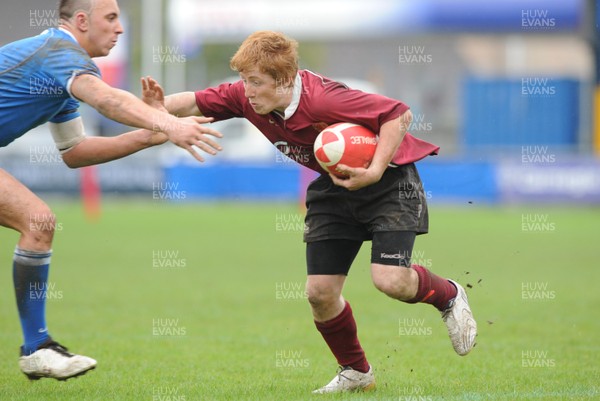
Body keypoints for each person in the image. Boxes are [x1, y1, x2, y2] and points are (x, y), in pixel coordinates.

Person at [153, 30, 477, 393]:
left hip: (388, 183)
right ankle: (356, 371)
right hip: (335, 188)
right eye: (245, 81)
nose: (247, 91)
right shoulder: (245, 97)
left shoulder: (323, 100)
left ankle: (449, 295)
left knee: (390, 281)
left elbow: (399, 115)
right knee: (319, 292)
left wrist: (371, 171)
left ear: (285, 80)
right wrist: (148, 109)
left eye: (256, 82)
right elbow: (190, 102)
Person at [0, 0, 222, 381]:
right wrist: (169, 123)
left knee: (38, 222)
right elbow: (107, 99)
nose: (119, 28)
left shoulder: (63, 70)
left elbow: (76, 152)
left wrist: (148, 136)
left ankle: (37, 348)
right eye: (112, 18)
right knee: (38, 221)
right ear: (82, 21)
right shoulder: (59, 51)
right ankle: (36, 347)